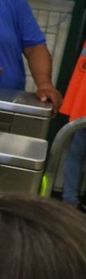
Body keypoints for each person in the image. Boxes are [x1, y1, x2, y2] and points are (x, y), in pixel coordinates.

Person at [59, 38, 85, 208]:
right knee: (76, 152)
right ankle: (69, 200)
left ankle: (69, 201)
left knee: (76, 152)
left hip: (83, 105)